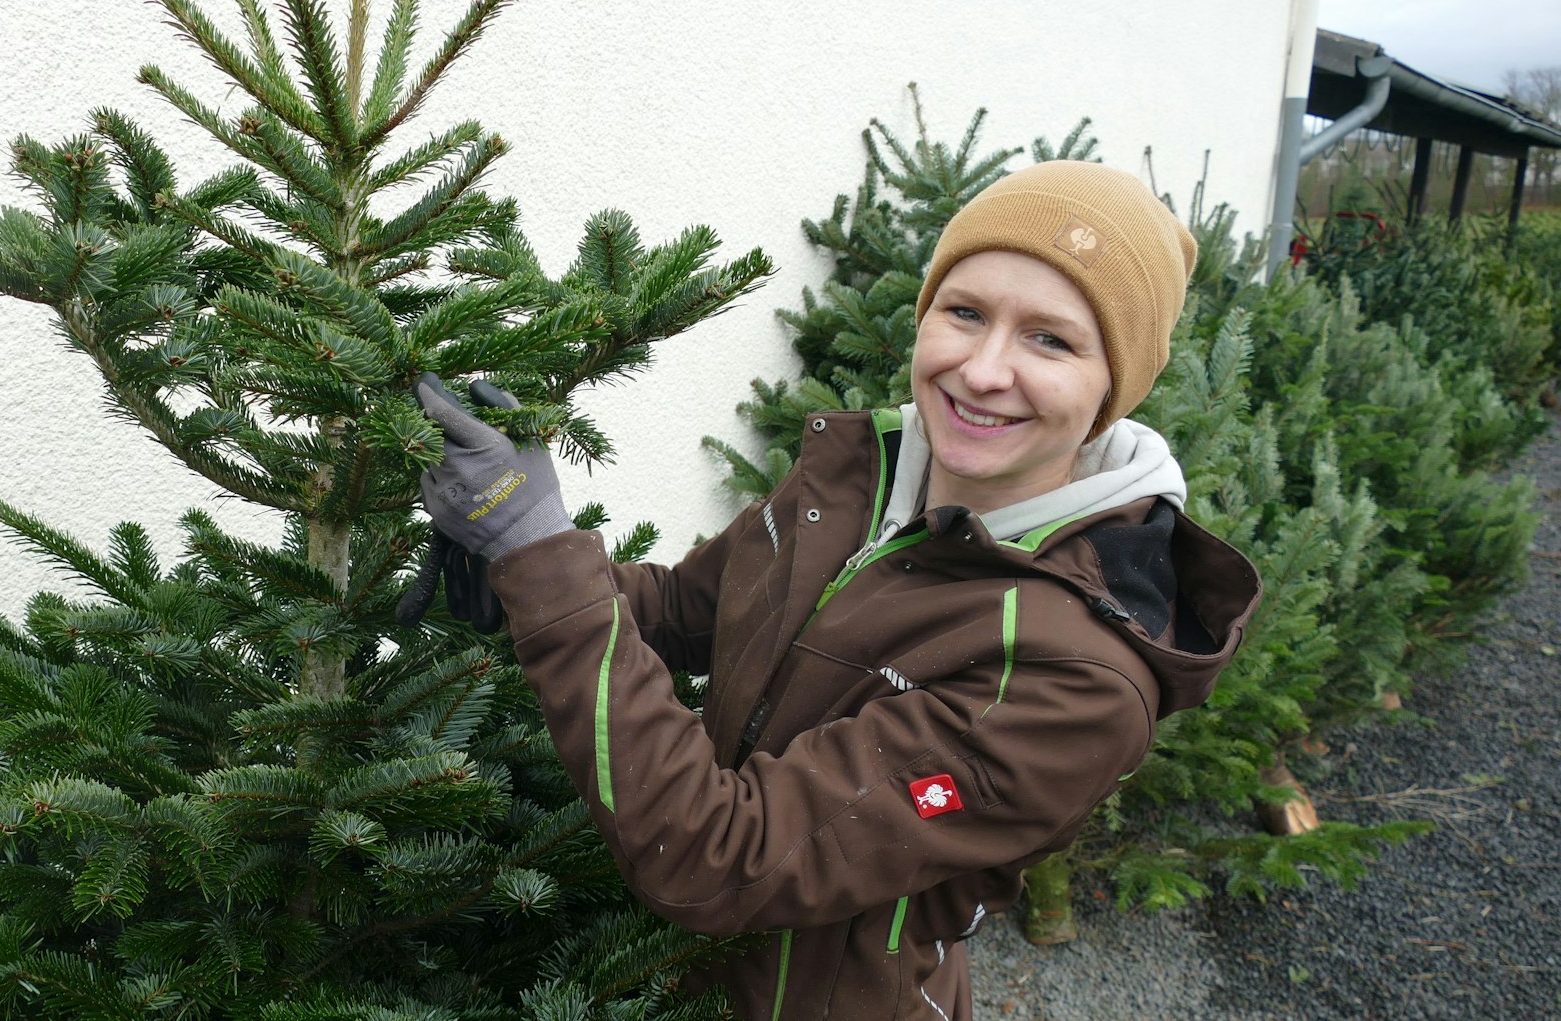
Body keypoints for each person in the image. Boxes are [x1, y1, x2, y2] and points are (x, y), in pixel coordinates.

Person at [413, 160, 1263, 1020]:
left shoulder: (1073, 679)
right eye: (965, 312)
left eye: (1052, 340)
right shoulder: (862, 480)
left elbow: (722, 854)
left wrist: (542, 553)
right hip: (668, 981)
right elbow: (678, 611)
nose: (983, 370)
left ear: (1112, 387)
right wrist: (518, 578)